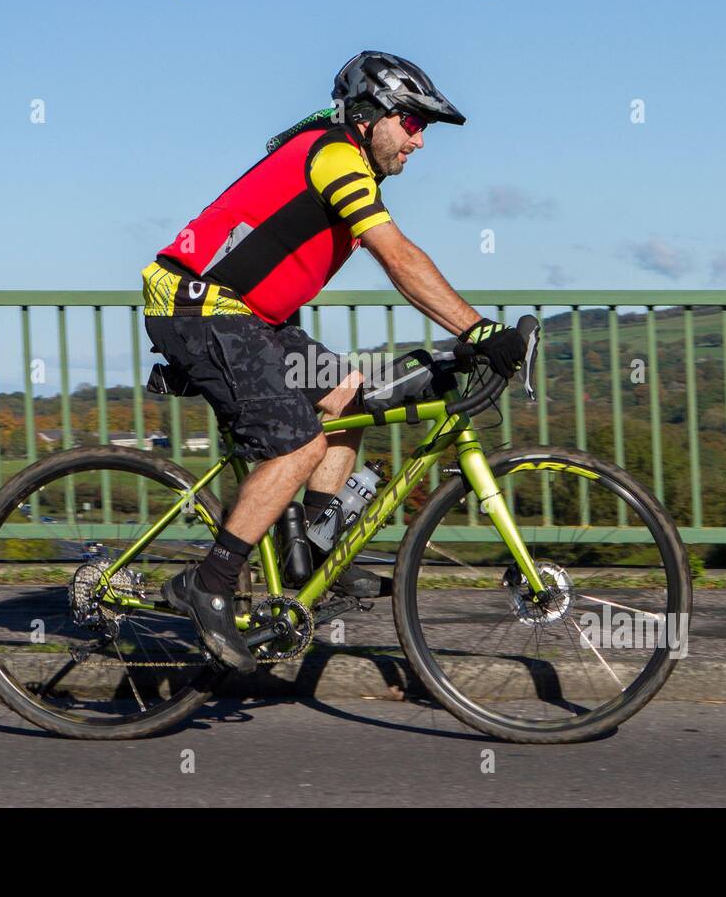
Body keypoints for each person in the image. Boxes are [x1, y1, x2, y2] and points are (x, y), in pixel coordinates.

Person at [141, 50, 528, 672]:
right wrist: (478, 330)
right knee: (298, 447)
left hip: (248, 317)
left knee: (352, 397)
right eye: (412, 123)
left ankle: (312, 559)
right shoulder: (336, 154)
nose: (419, 141)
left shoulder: (345, 161)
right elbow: (398, 257)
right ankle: (207, 583)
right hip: (199, 306)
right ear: (373, 115)